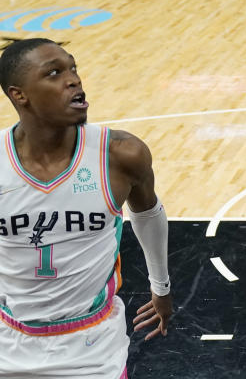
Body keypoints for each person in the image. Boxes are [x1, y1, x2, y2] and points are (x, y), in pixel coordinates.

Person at [0, 38, 173, 377]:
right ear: (19, 94)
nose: (73, 80)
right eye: (53, 73)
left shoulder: (121, 154)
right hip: (9, 340)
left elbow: (148, 213)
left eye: (73, 68)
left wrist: (161, 287)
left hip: (93, 346)